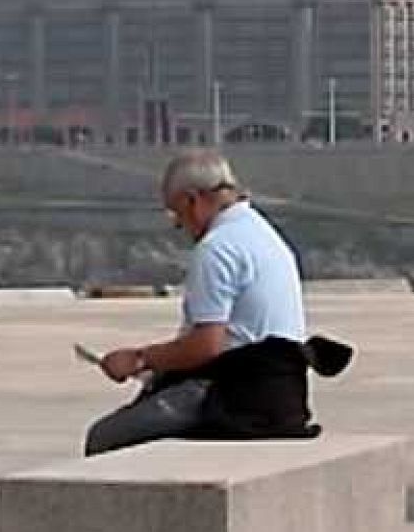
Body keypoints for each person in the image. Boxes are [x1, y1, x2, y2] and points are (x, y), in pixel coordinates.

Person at [83, 149, 350, 455]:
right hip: (282, 394)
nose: (179, 226)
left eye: (176, 215)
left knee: (104, 438)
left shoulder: (217, 249)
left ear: (191, 201)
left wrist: (139, 359)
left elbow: (206, 346)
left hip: (234, 394)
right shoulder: (263, 233)